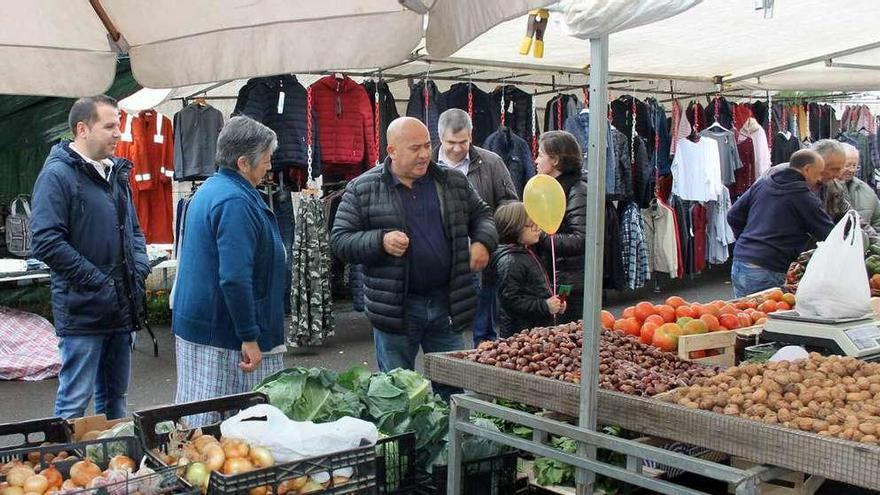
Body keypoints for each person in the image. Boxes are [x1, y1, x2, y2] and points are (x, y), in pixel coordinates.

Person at [331, 117, 497, 399]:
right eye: (414, 148)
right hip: (396, 310)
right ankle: (407, 444)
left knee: (453, 389)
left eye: (427, 146)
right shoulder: (362, 188)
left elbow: (483, 215)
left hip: (447, 306)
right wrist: (380, 240)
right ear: (392, 150)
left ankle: (451, 442)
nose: (424, 154)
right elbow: (340, 241)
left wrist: (483, 242)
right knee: (397, 395)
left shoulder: (452, 181)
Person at [30, 95, 150, 419]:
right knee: (74, 402)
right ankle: (63, 466)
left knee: (115, 401)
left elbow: (135, 231)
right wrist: (98, 282)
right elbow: (45, 241)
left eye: (119, 126)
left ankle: (111, 465)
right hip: (83, 312)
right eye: (110, 126)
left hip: (122, 309)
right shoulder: (57, 175)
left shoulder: (116, 173)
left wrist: (138, 269)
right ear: (82, 129)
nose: (118, 133)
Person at [172, 116, 286, 425]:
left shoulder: (215, 189)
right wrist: (249, 336)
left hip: (207, 327)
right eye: (266, 157)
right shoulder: (234, 200)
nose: (269, 164)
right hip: (224, 336)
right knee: (225, 429)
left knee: (200, 420)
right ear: (243, 162)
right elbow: (235, 277)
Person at [435, 108, 518, 345]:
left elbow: (509, 203)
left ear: (471, 135)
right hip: (441, 260)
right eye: (452, 142)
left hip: (482, 259)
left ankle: (483, 374)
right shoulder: (428, 163)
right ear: (440, 137)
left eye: (464, 141)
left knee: (484, 332)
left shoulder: (491, 162)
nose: (458, 148)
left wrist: (490, 236)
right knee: (446, 332)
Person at [728, 149, 834, 298]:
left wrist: (747, 240)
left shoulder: (763, 184)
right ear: (807, 169)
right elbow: (829, 234)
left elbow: (733, 215)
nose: (819, 179)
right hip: (770, 266)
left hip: (741, 260)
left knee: (745, 315)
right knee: (764, 318)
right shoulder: (803, 197)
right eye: (819, 173)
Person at [489, 202, 565, 338]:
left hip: (534, 329)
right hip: (520, 333)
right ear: (514, 228)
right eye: (532, 225)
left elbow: (533, 287)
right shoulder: (511, 261)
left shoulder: (523, 253)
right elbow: (511, 302)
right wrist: (544, 305)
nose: (538, 228)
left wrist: (555, 299)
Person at [534, 130, 586, 324]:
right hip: (551, 279)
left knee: (567, 337)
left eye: (540, 154)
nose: (536, 160)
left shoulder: (577, 191)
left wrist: (539, 236)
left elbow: (581, 240)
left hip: (568, 285)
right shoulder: (547, 189)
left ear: (555, 160)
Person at [840, 142, 880, 232]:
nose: (851, 170)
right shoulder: (824, 188)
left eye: (855, 166)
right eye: (847, 165)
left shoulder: (866, 190)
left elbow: (877, 221)